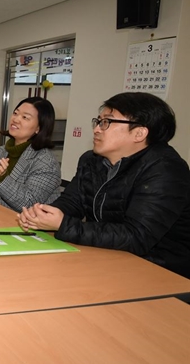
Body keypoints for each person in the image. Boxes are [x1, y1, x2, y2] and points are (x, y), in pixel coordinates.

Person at [19, 92, 190, 278]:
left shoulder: (166, 170)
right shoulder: (91, 160)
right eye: (98, 121)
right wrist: (42, 215)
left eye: (107, 122)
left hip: (161, 271)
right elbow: (72, 202)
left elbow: (137, 236)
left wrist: (62, 225)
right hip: (108, 256)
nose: (97, 129)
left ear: (139, 133)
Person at [0, 97, 61, 212]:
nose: (16, 119)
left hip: (27, 226)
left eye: (25, 117)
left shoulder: (46, 162)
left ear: (39, 128)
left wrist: (2, 179)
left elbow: (28, 204)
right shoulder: (3, 151)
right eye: (15, 113)